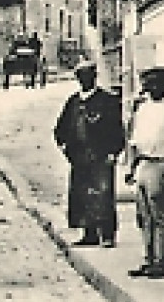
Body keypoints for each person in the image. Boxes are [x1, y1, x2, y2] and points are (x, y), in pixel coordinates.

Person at [124, 67, 164, 279]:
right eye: (148, 84)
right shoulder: (143, 110)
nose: (151, 88)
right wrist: (132, 168)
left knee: (161, 215)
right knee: (143, 216)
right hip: (144, 163)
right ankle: (149, 259)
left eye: (156, 84)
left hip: (162, 163)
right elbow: (135, 141)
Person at [54, 60, 125, 247]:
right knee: (82, 195)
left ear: (94, 77)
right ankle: (89, 233)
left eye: (88, 76)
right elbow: (61, 127)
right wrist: (63, 145)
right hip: (79, 157)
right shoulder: (74, 101)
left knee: (103, 194)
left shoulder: (107, 101)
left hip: (101, 155)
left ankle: (107, 234)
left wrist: (113, 152)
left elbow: (117, 129)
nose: (85, 80)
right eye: (81, 76)